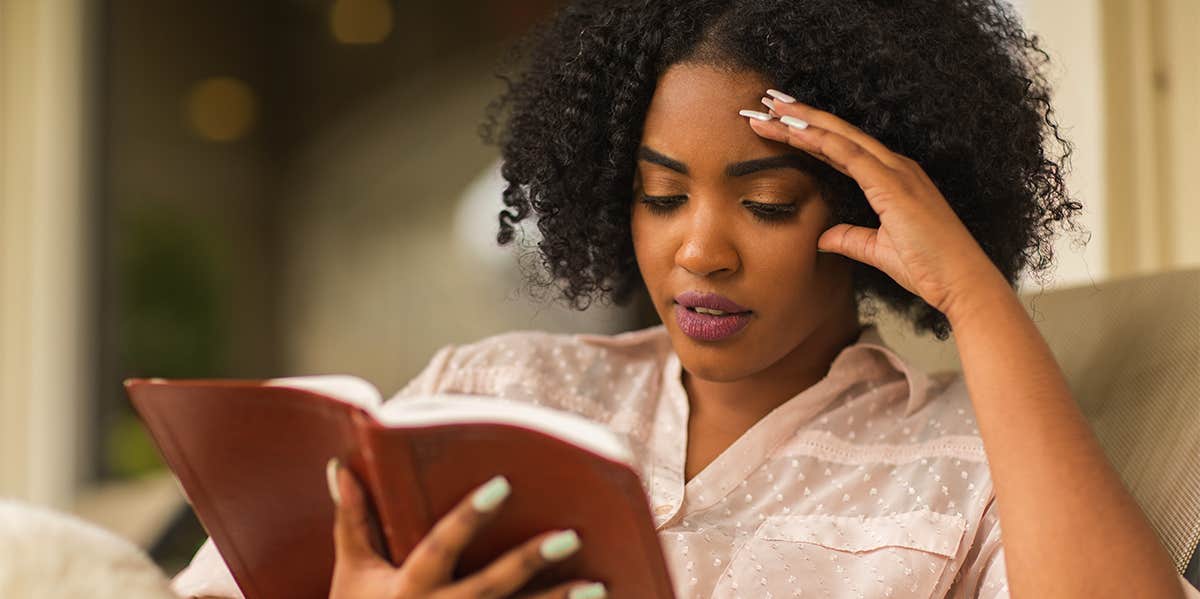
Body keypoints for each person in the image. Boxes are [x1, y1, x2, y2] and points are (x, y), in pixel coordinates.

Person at [173, 1, 1200, 598]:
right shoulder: (489, 385)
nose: (698, 249)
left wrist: (974, 292)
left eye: (765, 201)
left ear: (867, 207)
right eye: (659, 196)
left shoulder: (969, 466)